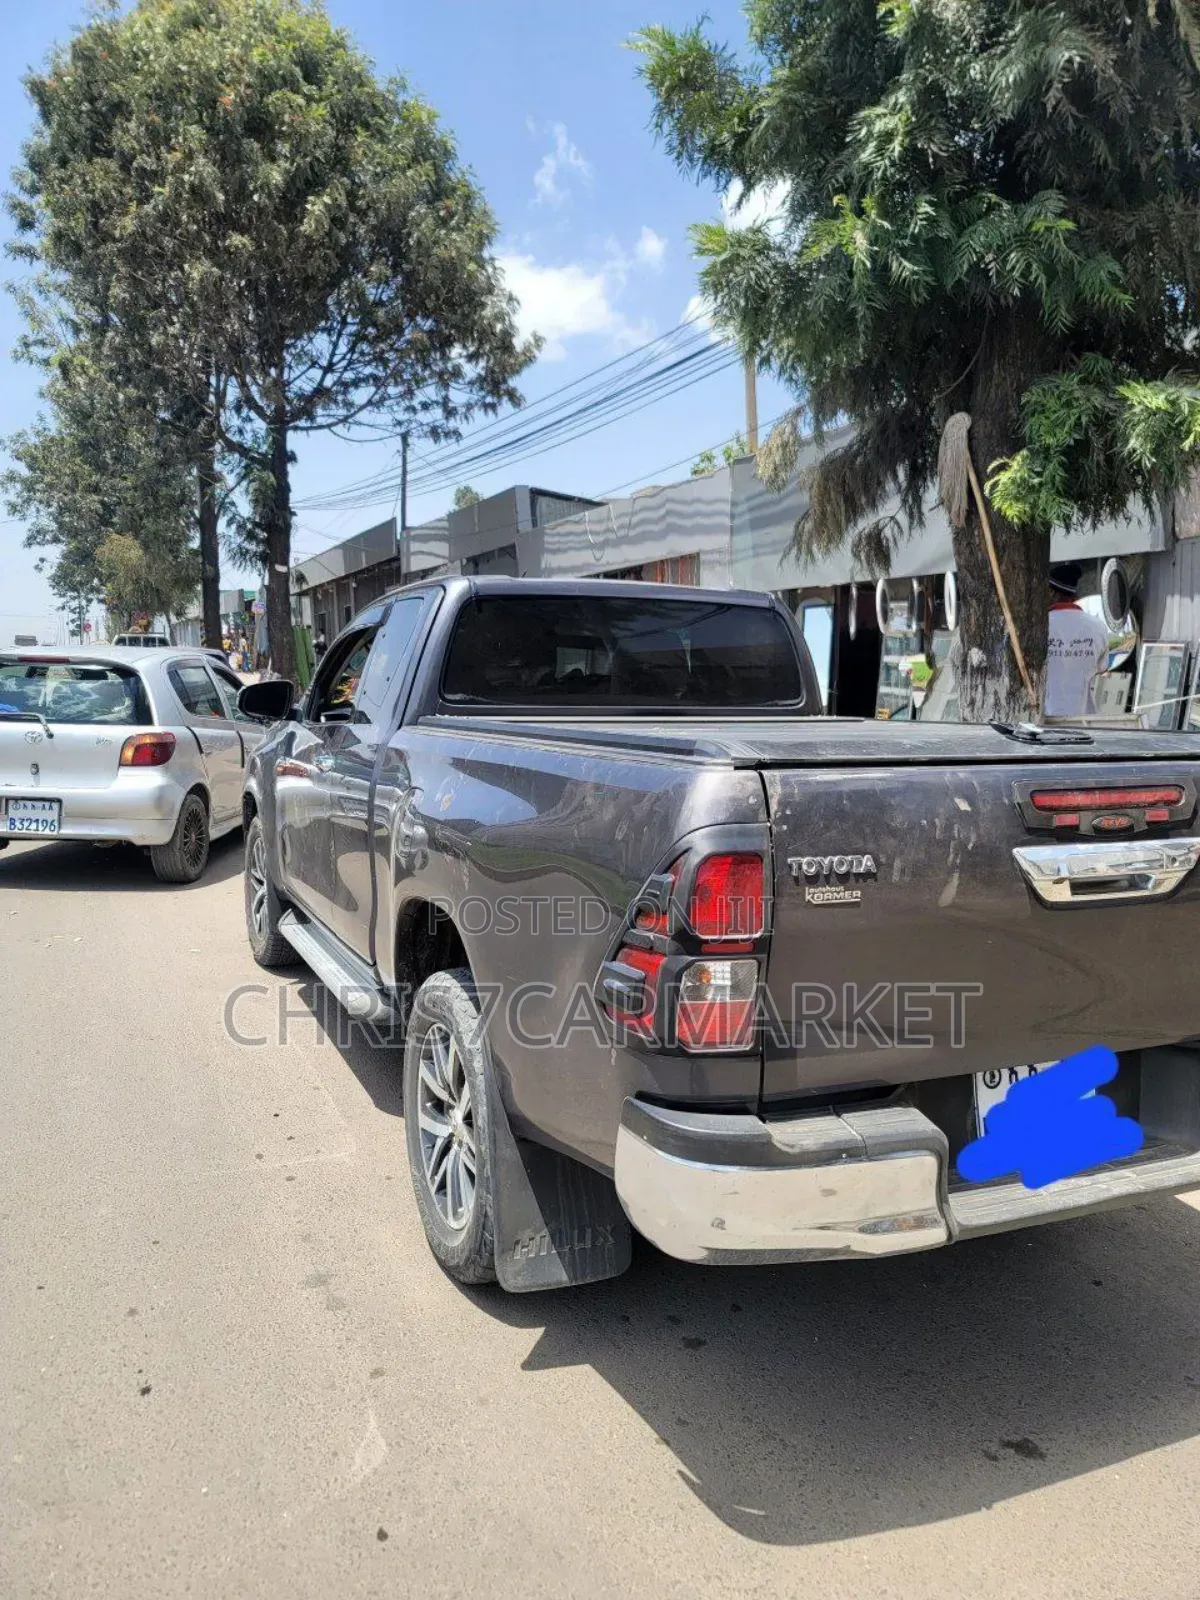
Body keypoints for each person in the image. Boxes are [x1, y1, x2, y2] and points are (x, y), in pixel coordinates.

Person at [1045, 563, 1110, 719]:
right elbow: (1102, 668)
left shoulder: (1038, 627)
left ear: (1050, 592)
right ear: (1075, 596)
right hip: (1082, 719)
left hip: (1044, 717)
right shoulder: (1098, 627)